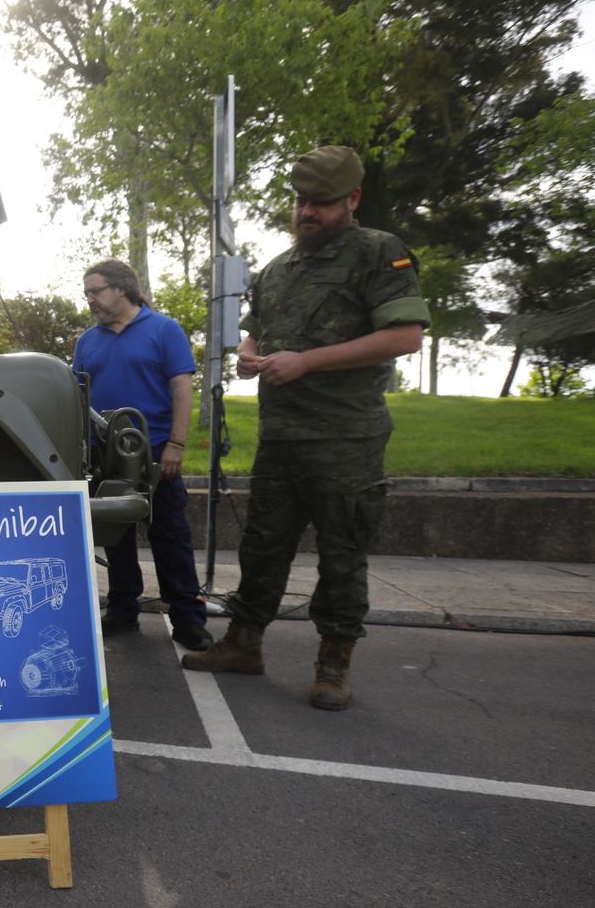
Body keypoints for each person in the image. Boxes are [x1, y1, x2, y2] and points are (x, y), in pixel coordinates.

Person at [183, 145, 429, 710]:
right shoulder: (280, 268)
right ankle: (243, 645)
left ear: (352, 199)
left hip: (347, 439)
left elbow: (405, 336)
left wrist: (306, 362)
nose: (307, 212)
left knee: (342, 554)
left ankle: (333, 664)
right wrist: (249, 353)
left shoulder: (379, 253)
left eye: (321, 202)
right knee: (262, 546)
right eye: (301, 202)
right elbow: (255, 329)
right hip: (282, 437)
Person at [73, 259, 211, 652]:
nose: (90, 299)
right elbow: (78, 396)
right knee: (116, 536)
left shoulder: (164, 329)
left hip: (156, 448)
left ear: (121, 288)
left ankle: (187, 618)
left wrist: (177, 445)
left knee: (169, 533)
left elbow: (182, 389)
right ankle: (122, 611)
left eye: (96, 291)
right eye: (86, 293)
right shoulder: (87, 341)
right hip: (105, 452)